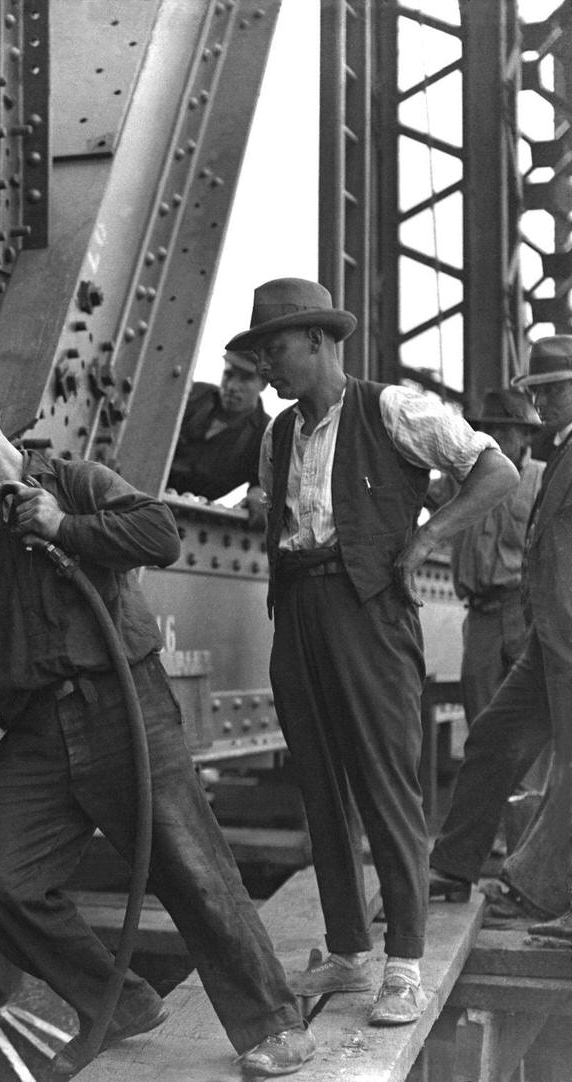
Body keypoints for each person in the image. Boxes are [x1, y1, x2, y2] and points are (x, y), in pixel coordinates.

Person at [0, 367, 315, 1077]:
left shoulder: (76, 481)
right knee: (6, 888)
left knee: (196, 873)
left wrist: (60, 525)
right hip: (36, 733)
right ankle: (121, 1003)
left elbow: (161, 533)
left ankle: (273, 1024)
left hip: (123, 708)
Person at [227, 278, 517, 1026]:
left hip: (370, 613)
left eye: (276, 350)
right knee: (320, 787)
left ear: (321, 341)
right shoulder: (277, 434)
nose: (267, 367)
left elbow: (495, 471)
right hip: (297, 611)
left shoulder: (392, 408)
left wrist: (425, 538)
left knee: (388, 786)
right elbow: (281, 516)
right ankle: (351, 955)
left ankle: (405, 967)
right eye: (259, 354)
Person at [429, 336, 572, 937]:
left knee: (569, 765)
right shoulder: (559, 451)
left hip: (567, 633)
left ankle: (545, 896)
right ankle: (454, 867)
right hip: (548, 635)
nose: (543, 405)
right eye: (537, 394)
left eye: (554, 391)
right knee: (491, 737)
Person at [436, 390, 547, 728]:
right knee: (482, 719)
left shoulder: (543, 480)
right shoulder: (460, 479)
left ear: (526, 434)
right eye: (488, 431)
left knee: (530, 715)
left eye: (505, 431)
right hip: (480, 617)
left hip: (522, 612)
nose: (494, 438)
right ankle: (497, 783)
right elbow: (415, 498)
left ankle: (528, 785)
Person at [168, 350, 271, 524]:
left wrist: (258, 495)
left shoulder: (266, 434)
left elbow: (263, 484)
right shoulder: (193, 395)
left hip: (192, 518)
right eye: (228, 375)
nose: (232, 386)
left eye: (246, 378)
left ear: (263, 384)